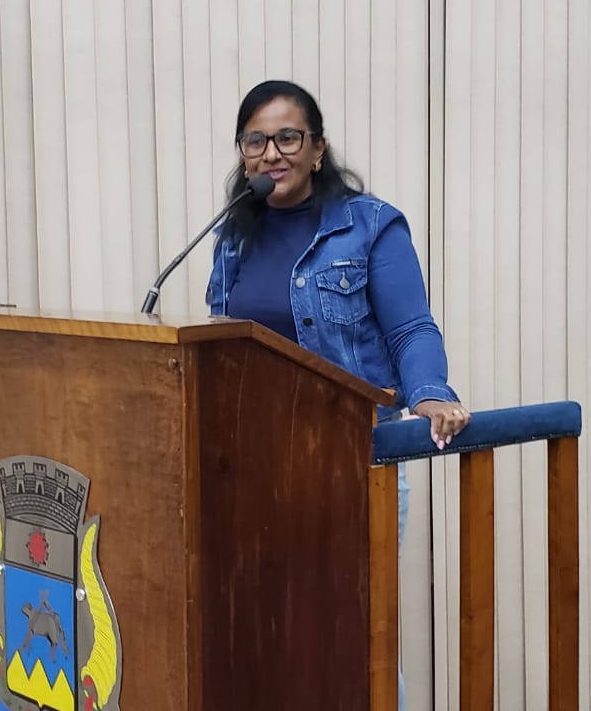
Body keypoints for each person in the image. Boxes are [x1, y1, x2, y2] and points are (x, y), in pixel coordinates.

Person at [206, 79, 471, 709]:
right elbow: (220, 346)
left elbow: (411, 328)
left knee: (353, 633)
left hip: (351, 457)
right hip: (254, 466)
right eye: (255, 141)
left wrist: (429, 394)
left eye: (287, 137)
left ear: (318, 148)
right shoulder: (234, 236)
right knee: (268, 630)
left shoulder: (370, 226)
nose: (272, 153)